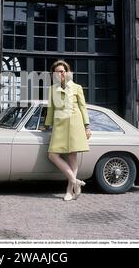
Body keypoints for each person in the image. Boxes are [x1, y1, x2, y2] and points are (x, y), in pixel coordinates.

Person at [41, 60, 91, 201]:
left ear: (67, 72)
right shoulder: (52, 89)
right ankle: (75, 181)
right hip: (59, 125)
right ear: (54, 74)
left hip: (75, 124)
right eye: (57, 71)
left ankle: (70, 190)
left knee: (72, 157)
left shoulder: (77, 87)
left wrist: (87, 126)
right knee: (52, 155)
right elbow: (50, 109)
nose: (60, 73)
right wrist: (46, 125)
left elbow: (83, 108)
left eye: (63, 71)